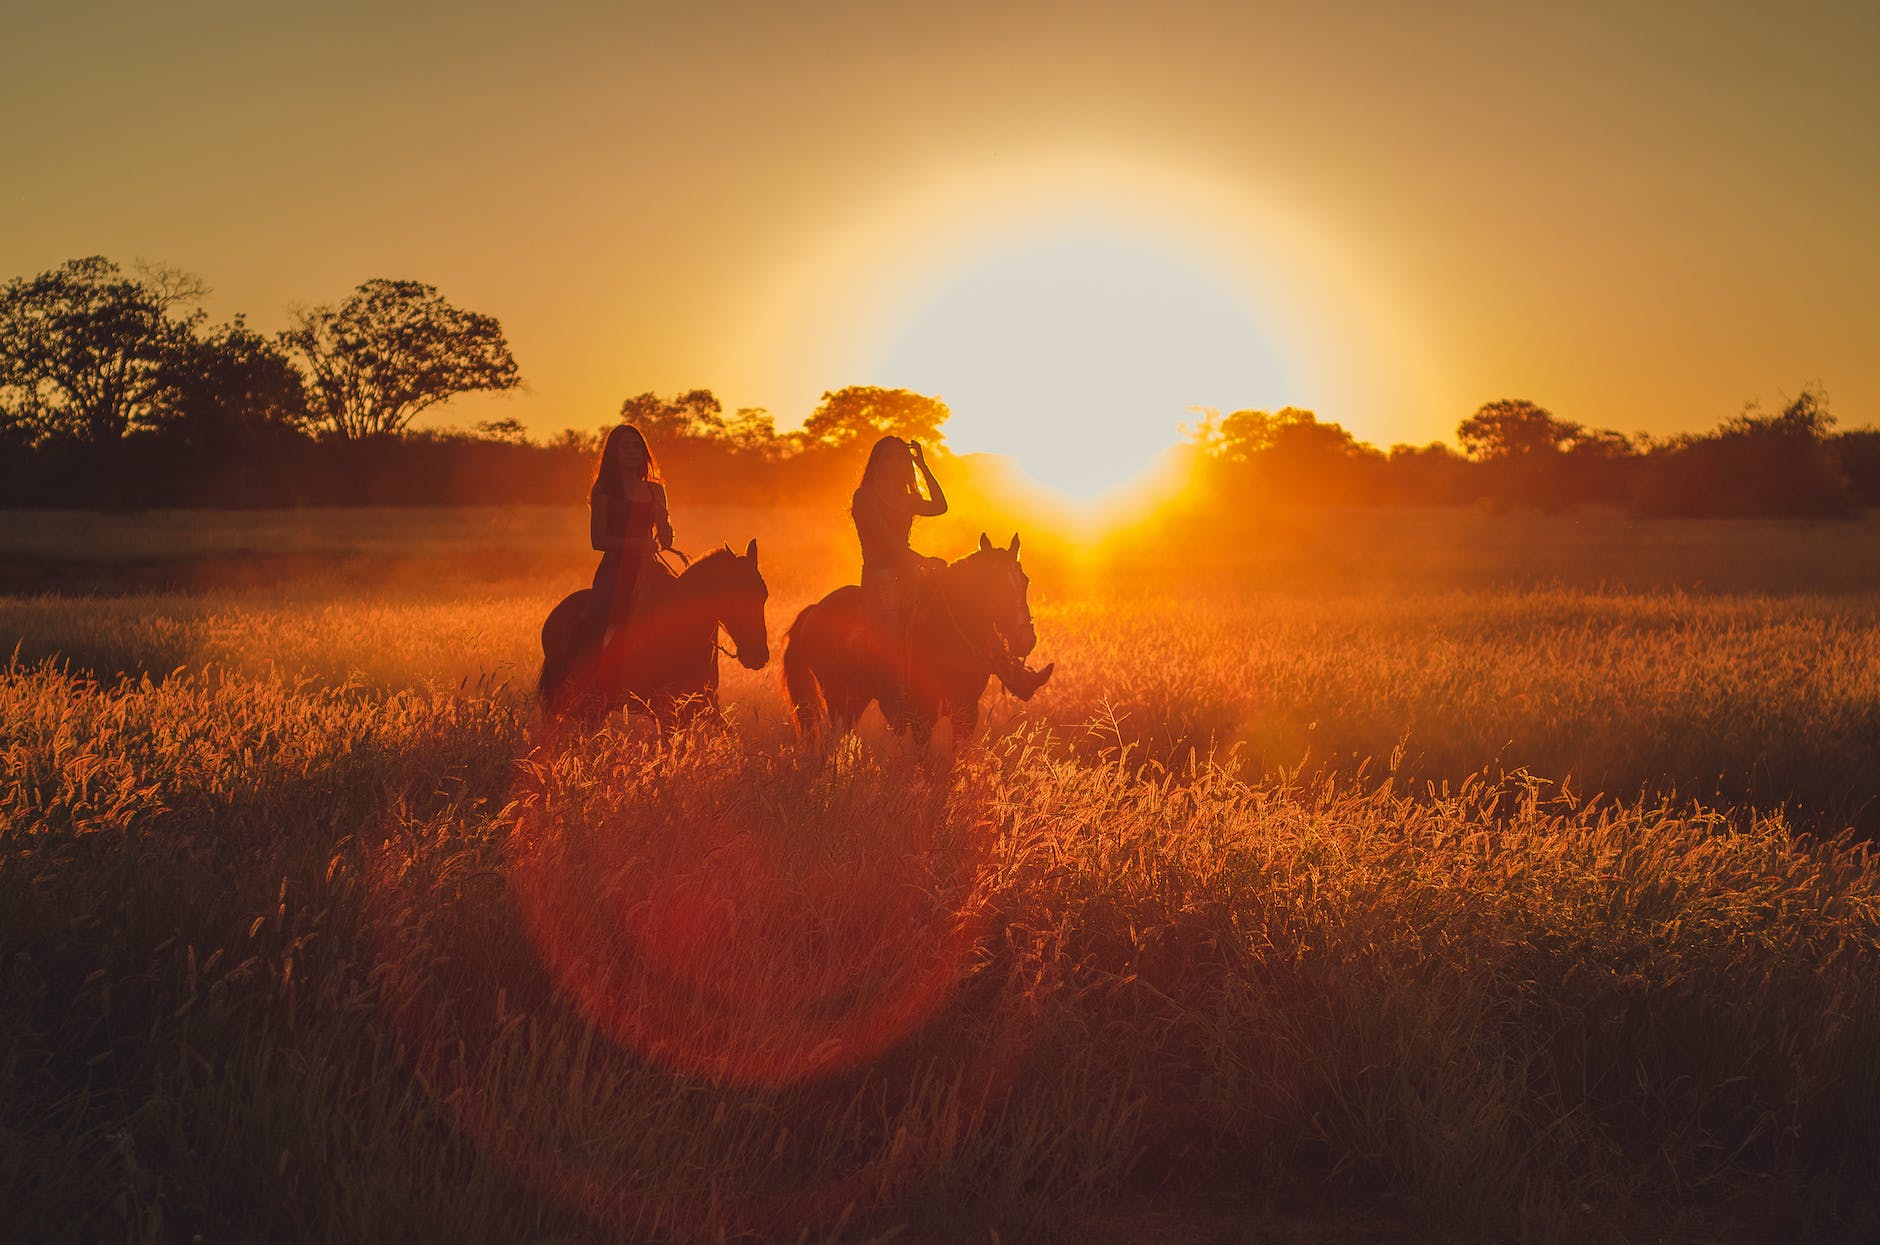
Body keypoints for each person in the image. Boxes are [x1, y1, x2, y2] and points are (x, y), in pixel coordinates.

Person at [850, 435, 1049, 699]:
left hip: (911, 573)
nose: (894, 463)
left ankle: (1016, 675)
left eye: (900, 457)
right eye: (888, 456)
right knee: (892, 637)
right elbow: (886, 544)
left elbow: (939, 506)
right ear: (877, 461)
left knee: (965, 611)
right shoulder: (865, 496)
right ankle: (897, 693)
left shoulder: (905, 498)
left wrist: (922, 464)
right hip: (881, 576)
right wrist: (923, 561)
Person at [576, 424, 673, 663]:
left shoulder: (656, 490)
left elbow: (666, 541)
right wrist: (637, 544)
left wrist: (663, 519)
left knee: (680, 606)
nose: (632, 451)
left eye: (637, 446)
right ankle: (590, 670)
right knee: (599, 616)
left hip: (649, 568)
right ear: (614, 453)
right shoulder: (603, 490)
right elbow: (597, 540)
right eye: (625, 446)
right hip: (614, 568)